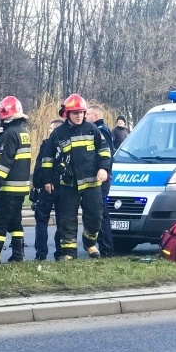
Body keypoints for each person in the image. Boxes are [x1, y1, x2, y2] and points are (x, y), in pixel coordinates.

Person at [41, 94, 111, 261]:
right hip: (68, 184)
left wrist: (103, 168)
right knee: (67, 219)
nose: (79, 115)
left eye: (82, 112)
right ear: (67, 114)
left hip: (91, 183)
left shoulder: (92, 129)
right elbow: (47, 158)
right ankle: (69, 253)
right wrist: (47, 180)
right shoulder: (58, 134)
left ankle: (89, 242)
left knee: (95, 215)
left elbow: (104, 151)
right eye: (75, 112)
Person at [0, 96, 32, 265]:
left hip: (8, 187)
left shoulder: (10, 134)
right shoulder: (23, 132)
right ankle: (18, 254)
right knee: (15, 220)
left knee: (0, 221)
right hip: (21, 188)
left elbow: (5, 163)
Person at [31, 119, 64, 261]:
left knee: (41, 220)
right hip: (64, 188)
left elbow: (40, 166)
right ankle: (61, 252)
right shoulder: (68, 144)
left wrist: (40, 183)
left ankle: (41, 253)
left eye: (51, 129)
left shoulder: (46, 144)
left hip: (48, 188)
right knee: (62, 221)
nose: (49, 131)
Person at [86, 105, 115, 257]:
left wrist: (102, 170)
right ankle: (106, 248)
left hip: (102, 178)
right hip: (102, 177)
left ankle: (106, 249)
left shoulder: (100, 130)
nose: (85, 116)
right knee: (102, 212)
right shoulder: (101, 128)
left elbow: (106, 154)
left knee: (101, 213)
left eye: (88, 114)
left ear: (96, 115)